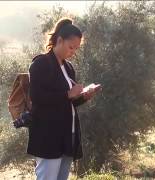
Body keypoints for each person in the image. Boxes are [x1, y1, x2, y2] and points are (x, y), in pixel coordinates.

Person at [27, 18, 99, 180]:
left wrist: (84, 97)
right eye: (71, 47)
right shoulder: (41, 64)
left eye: (76, 49)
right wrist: (68, 94)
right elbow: (37, 98)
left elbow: (69, 103)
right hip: (48, 136)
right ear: (59, 40)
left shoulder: (68, 67)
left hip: (67, 135)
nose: (73, 52)